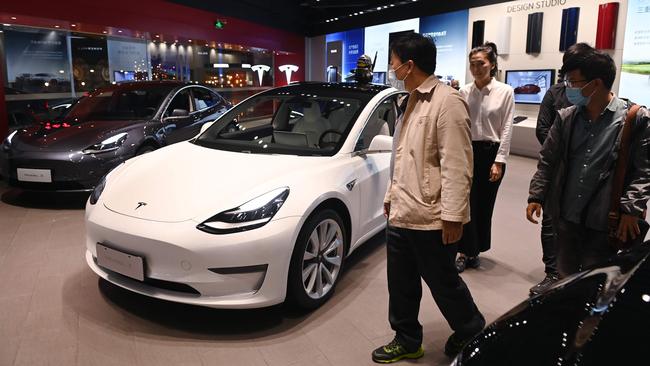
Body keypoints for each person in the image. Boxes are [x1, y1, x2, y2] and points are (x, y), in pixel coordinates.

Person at [372, 33, 485, 364]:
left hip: (431, 216)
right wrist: (392, 194)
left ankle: (471, 329)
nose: (391, 67)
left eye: (393, 61)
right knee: (401, 284)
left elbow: (458, 164)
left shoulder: (447, 101)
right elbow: (404, 157)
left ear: (409, 65)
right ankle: (407, 339)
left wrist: (452, 215)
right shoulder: (409, 100)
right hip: (403, 212)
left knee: (443, 283)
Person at [526, 43, 650, 278]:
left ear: (596, 83)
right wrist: (537, 195)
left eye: (573, 82)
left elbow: (644, 170)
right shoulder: (566, 118)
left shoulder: (635, 119)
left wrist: (631, 209)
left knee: (598, 281)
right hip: (567, 217)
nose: (568, 88)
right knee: (565, 278)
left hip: (605, 220)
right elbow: (548, 160)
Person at [528, 43, 592, 295]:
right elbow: (542, 128)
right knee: (550, 223)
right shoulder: (554, 94)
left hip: (584, 171)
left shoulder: (593, 93)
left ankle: (578, 274)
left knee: (581, 222)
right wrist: (562, 151)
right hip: (557, 168)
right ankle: (552, 272)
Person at [455, 42, 514, 272]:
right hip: (467, 152)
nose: (477, 68)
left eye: (481, 63)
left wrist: (500, 160)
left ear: (492, 64)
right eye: (473, 64)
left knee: (483, 205)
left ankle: (475, 250)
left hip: (492, 154)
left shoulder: (505, 91)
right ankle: (463, 251)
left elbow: (507, 128)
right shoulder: (464, 92)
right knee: (465, 203)